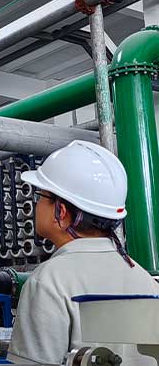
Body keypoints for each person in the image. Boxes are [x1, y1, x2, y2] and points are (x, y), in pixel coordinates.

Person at [8, 140, 159, 365]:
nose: (37, 205)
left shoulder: (49, 281)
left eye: (41, 196)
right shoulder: (146, 281)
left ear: (60, 211)